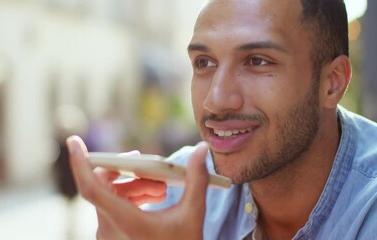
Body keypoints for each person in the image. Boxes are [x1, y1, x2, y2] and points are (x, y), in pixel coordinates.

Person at [66, 0, 377, 239]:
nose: (215, 99)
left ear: (332, 82)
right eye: (204, 62)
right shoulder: (179, 192)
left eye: (257, 61)